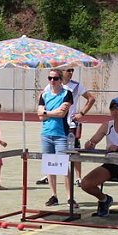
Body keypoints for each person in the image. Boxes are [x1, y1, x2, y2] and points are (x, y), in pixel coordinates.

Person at [36, 67, 96, 186]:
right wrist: (48, 111)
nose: (70, 72)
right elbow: (41, 99)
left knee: (74, 151)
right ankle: (49, 177)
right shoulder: (51, 85)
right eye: (67, 70)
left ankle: (78, 177)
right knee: (50, 154)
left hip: (69, 124)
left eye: (71, 70)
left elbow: (91, 98)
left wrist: (81, 114)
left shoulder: (76, 86)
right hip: (52, 124)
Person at [37, 69, 74, 208]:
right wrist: (51, 112)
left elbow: (62, 113)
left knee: (63, 166)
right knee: (49, 165)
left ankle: (70, 197)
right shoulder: (44, 95)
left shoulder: (67, 94)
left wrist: (46, 112)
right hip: (46, 134)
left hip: (61, 135)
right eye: (50, 78)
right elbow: (40, 116)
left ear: (61, 80)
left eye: (55, 78)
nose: (52, 81)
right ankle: (54, 196)